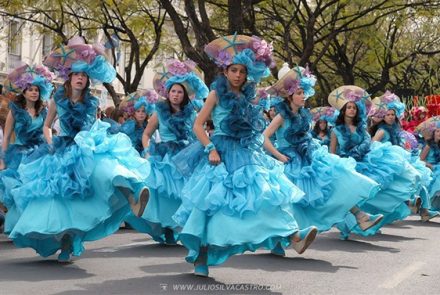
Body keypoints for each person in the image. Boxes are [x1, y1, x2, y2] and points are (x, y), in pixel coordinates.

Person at [172, 34, 317, 277]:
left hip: (247, 152)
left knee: (265, 194)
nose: (238, 75)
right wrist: (211, 149)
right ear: (225, 71)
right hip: (221, 152)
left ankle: (293, 235)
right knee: (212, 205)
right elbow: (198, 126)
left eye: (242, 71)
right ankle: (202, 255)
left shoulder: (249, 96)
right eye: (234, 70)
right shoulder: (215, 94)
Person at [6, 36, 149, 262]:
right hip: (61, 148)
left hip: (84, 144)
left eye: (84, 75)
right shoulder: (56, 98)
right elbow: (46, 125)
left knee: (105, 168)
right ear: (70, 78)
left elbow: (90, 126)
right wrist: (50, 140)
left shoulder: (92, 102)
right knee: (62, 202)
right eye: (77, 75)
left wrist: (89, 142)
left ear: (87, 80)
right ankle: (65, 243)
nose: (81, 78)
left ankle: (134, 194)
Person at [263, 67, 381, 234]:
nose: (303, 96)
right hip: (290, 161)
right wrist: (279, 156)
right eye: (299, 93)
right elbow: (264, 137)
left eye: (304, 92)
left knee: (336, 178)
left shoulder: (303, 114)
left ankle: (361, 216)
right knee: (291, 202)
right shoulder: (282, 115)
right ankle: (286, 237)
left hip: (309, 154)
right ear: (290, 96)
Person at [126, 59, 208, 244]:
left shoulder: (192, 113)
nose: (176, 95)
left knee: (184, 193)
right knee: (165, 194)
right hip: (165, 156)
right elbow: (146, 134)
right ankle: (167, 229)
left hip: (186, 156)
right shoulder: (158, 112)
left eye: (180, 92)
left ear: (185, 95)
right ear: (168, 93)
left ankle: (179, 227)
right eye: (173, 91)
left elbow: (196, 133)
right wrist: (148, 150)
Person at [329, 86, 419, 239]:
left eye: (354, 108)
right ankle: (352, 223)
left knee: (373, 191)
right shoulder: (335, 130)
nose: (352, 110)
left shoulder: (361, 128)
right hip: (346, 164)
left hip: (364, 161)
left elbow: (368, 143)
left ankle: (400, 203)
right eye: (349, 107)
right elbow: (332, 152)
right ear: (343, 110)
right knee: (350, 194)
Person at [0, 64, 54, 235]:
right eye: (30, 89)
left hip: (39, 152)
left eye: (36, 90)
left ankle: (35, 223)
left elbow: (48, 129)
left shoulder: (43, 111)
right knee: (20, 189)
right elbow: (7, 136)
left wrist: (51, 145)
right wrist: (2, 159)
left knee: (37, 189)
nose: (33, 92)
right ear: (23, 92)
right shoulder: (15, 111)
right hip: (19, 154)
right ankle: (20, 223)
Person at [369, 91, 439, 221]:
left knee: (419, 176)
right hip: (387, 164)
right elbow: (372, 145)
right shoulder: (382, 130)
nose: (390, 117)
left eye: (392, 115)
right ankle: (412, 202)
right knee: (410, 179)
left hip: (400, 160)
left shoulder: (397, 131)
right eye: (387, 115)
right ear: (383, 117)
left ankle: (423, 210)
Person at [419, 118, 440, 210]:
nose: (439, 133)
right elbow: (420, 160)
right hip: (428, 168)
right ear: (433, 133)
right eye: (438, 131)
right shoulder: (428, 145)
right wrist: (432, 166)